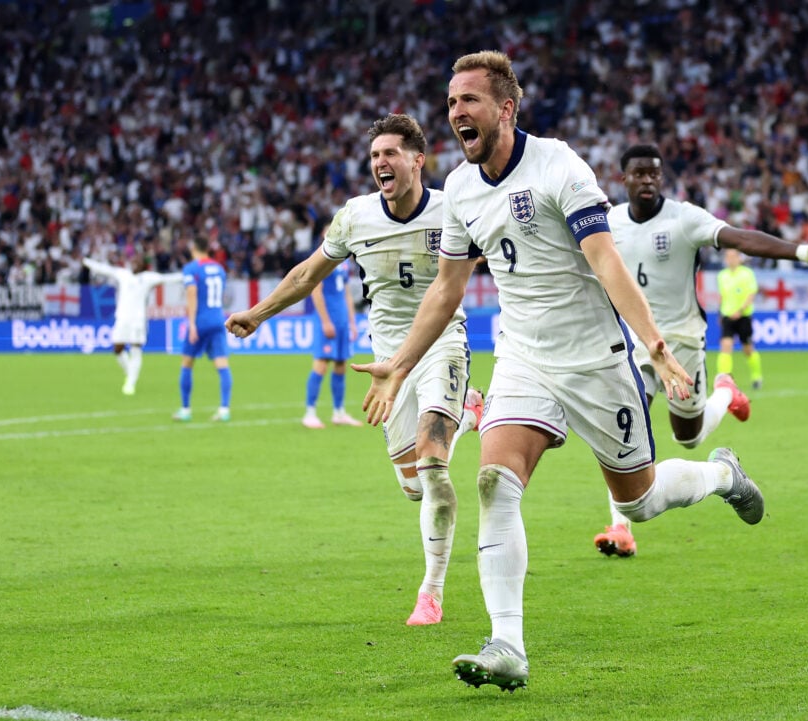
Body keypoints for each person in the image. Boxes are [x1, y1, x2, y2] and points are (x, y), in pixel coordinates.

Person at [353, 51, 764, 692]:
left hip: (595, 356)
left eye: (470, 100)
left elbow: (605, 261)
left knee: (642, 499)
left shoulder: (558, 165)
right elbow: (445, 290)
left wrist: (654, 345)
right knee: (495, 482)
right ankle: (507, 645)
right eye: (451, 101)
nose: (457, 112)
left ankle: (720, 474)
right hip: (522, 355)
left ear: (506, 109)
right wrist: (402, 364)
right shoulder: (459, 190)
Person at [226, 114, 483, 626]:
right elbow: (306, 274)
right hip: (385, 362)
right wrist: (257, 314)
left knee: (434, 467)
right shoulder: (355, 217)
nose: (380, 163)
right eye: (373, 156)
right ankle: (471, 413)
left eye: (390, 153)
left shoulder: (454, 210)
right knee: (412, 486)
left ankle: (430, 593)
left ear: (417, 160)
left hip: (440, 346)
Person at [593, 145, 808, 558]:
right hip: (634, 341)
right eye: (638, 174)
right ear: (623, 179)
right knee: (625, 427)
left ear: (662, 178)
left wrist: (800, 252)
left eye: (654, 174)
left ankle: (726, 392)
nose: (647, 181)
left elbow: (741, 238)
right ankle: (620, 529)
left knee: (688, 437)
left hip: (682, 340)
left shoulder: (683, 218)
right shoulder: (608, 224)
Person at [82, 255, 183, 395]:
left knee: (136, 349)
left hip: (137, 320)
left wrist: (187, 275)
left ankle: (130, 384)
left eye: (138, 261)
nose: (134, 262)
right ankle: (130, 373)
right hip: (122, 318)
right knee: (117, 348)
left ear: (143, 265)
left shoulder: (148, 278)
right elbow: (105, 269)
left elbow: (168, 279)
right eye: (133, 260)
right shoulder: (124, 274)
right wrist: (87, 262)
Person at [172, 235, 233, 422]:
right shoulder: (219, 269)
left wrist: (191, 324)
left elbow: (192, 294)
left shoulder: (191, 268)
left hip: (200, 320)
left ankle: (185, 409)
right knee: (222, 365)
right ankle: (224, 410)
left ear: (193, 248)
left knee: (187, 363)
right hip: (218, 318)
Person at [302, 255, 363, 429]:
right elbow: (316, 291)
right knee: (321, 364)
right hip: (328, 320)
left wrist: (352, 322)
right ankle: (310, 413)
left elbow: (347, 294)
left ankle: (339, 412)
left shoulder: (343, 263)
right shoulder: (323, 261)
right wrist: (325, 321)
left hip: (342, 320)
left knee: (341, 364)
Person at [718, 247, 763, 389]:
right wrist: (720, 313)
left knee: (747, 349)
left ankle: (757, 376)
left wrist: (740, 310)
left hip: (744, 316)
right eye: (728, 256)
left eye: (733, 256)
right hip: (728, 316)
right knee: (726, 346)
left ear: (739, 258)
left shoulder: (747, 274)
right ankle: (723, 380)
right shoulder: (722, 276)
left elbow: (751, 295)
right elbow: (723, 297)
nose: (730, 259)